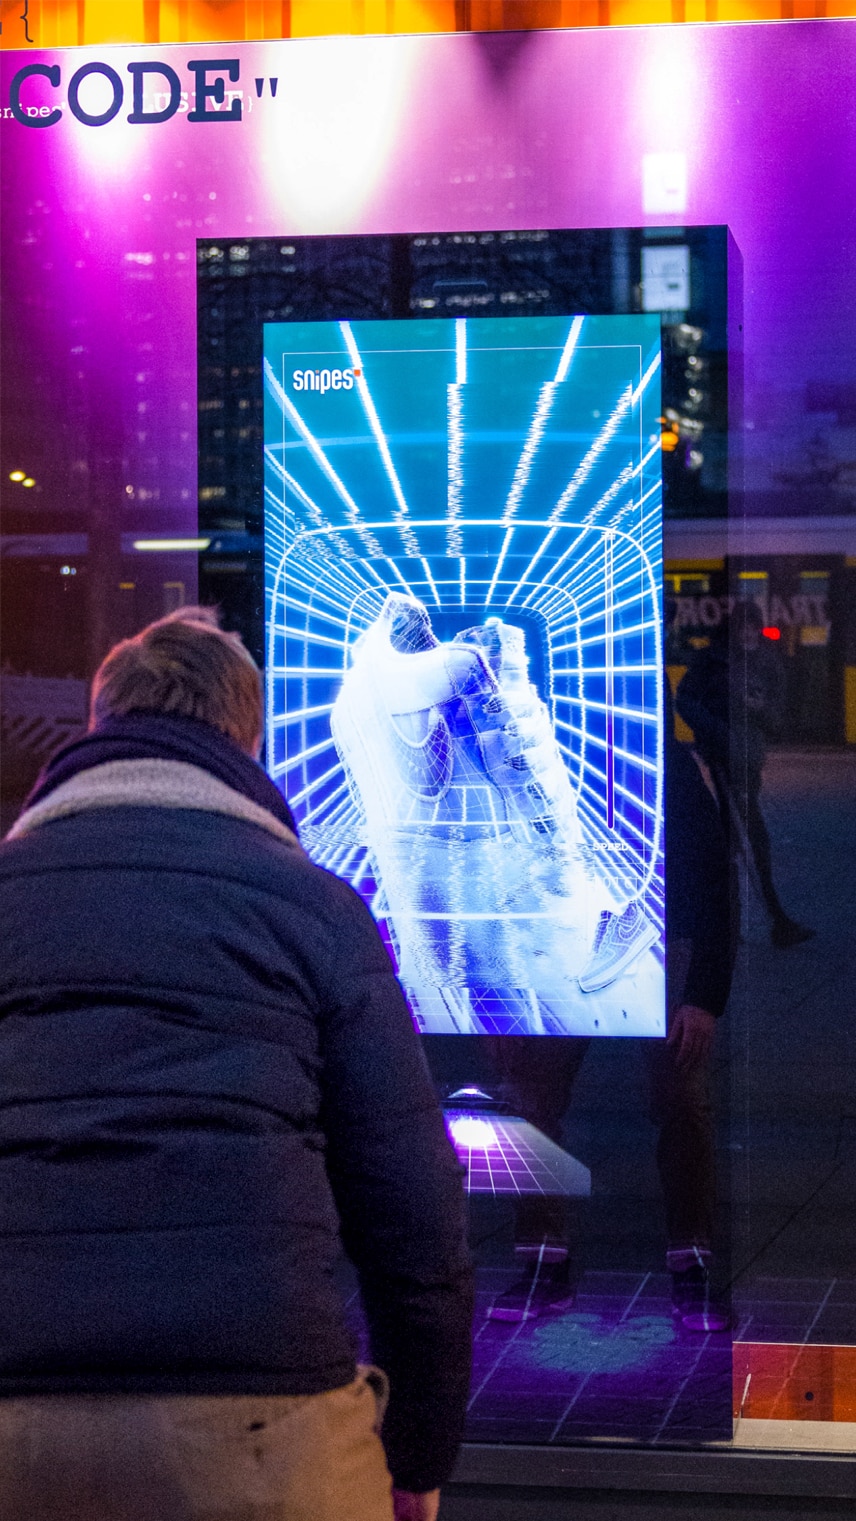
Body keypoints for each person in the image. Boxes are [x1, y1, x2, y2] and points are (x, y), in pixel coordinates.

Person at [0, 607, 473, 1521]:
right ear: (245, 739)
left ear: (99, 724)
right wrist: (415, 1455)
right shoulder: (313, 908)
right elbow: (417, 1220)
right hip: (263, 1419)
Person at [485, 678, 736, 1331]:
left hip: (642, 937)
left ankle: (688, 1261)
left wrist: (703, 995)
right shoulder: (547, 751)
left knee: (675, 1101)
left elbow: (710, 873)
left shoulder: (655, 759)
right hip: (573, 940)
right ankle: (558, 1258)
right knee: (532, 1099)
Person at [676, 599, 813, 948]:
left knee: (732, 840)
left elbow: (778, 715)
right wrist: (715, 731)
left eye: (754, 627)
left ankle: (723, 921)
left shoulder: (767, 662)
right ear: (734, 629)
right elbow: (687, 700)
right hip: (725, 758)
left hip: (750, 760)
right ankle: (772, 920)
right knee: (750, 836)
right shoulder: (714, 659)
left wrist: (761, 710)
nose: (749, 634)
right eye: (743, 627)